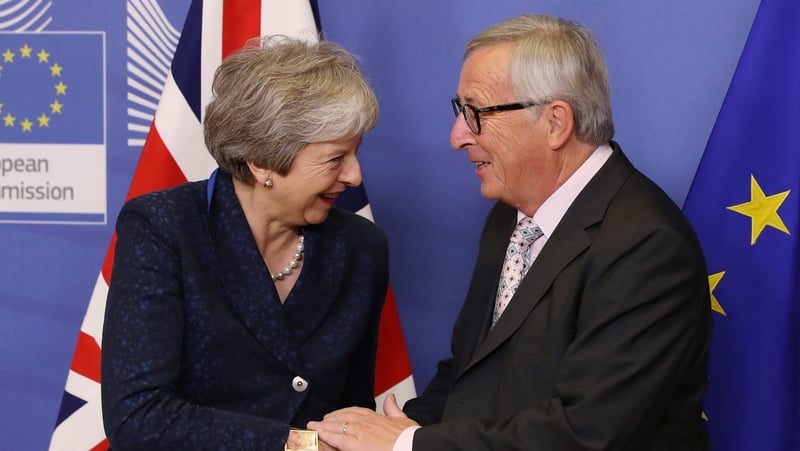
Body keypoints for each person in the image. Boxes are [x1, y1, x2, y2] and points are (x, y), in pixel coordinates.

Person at [308, 13, 712, 451]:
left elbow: (587, 434)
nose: (457, 136)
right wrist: (387, 432)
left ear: (556, 123)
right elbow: (470, 375)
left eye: (476, 112)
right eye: (459, 111)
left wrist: (407, 445)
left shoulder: (646, 246)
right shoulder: (510, 214)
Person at [101, 35, 387, 450]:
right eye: (335, 158)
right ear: (263, 161)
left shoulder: (361, 247)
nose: (355, 176)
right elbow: (137, 416)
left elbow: (352, 408)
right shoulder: (165, 227)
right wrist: (296, 445)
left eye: (355, 154)